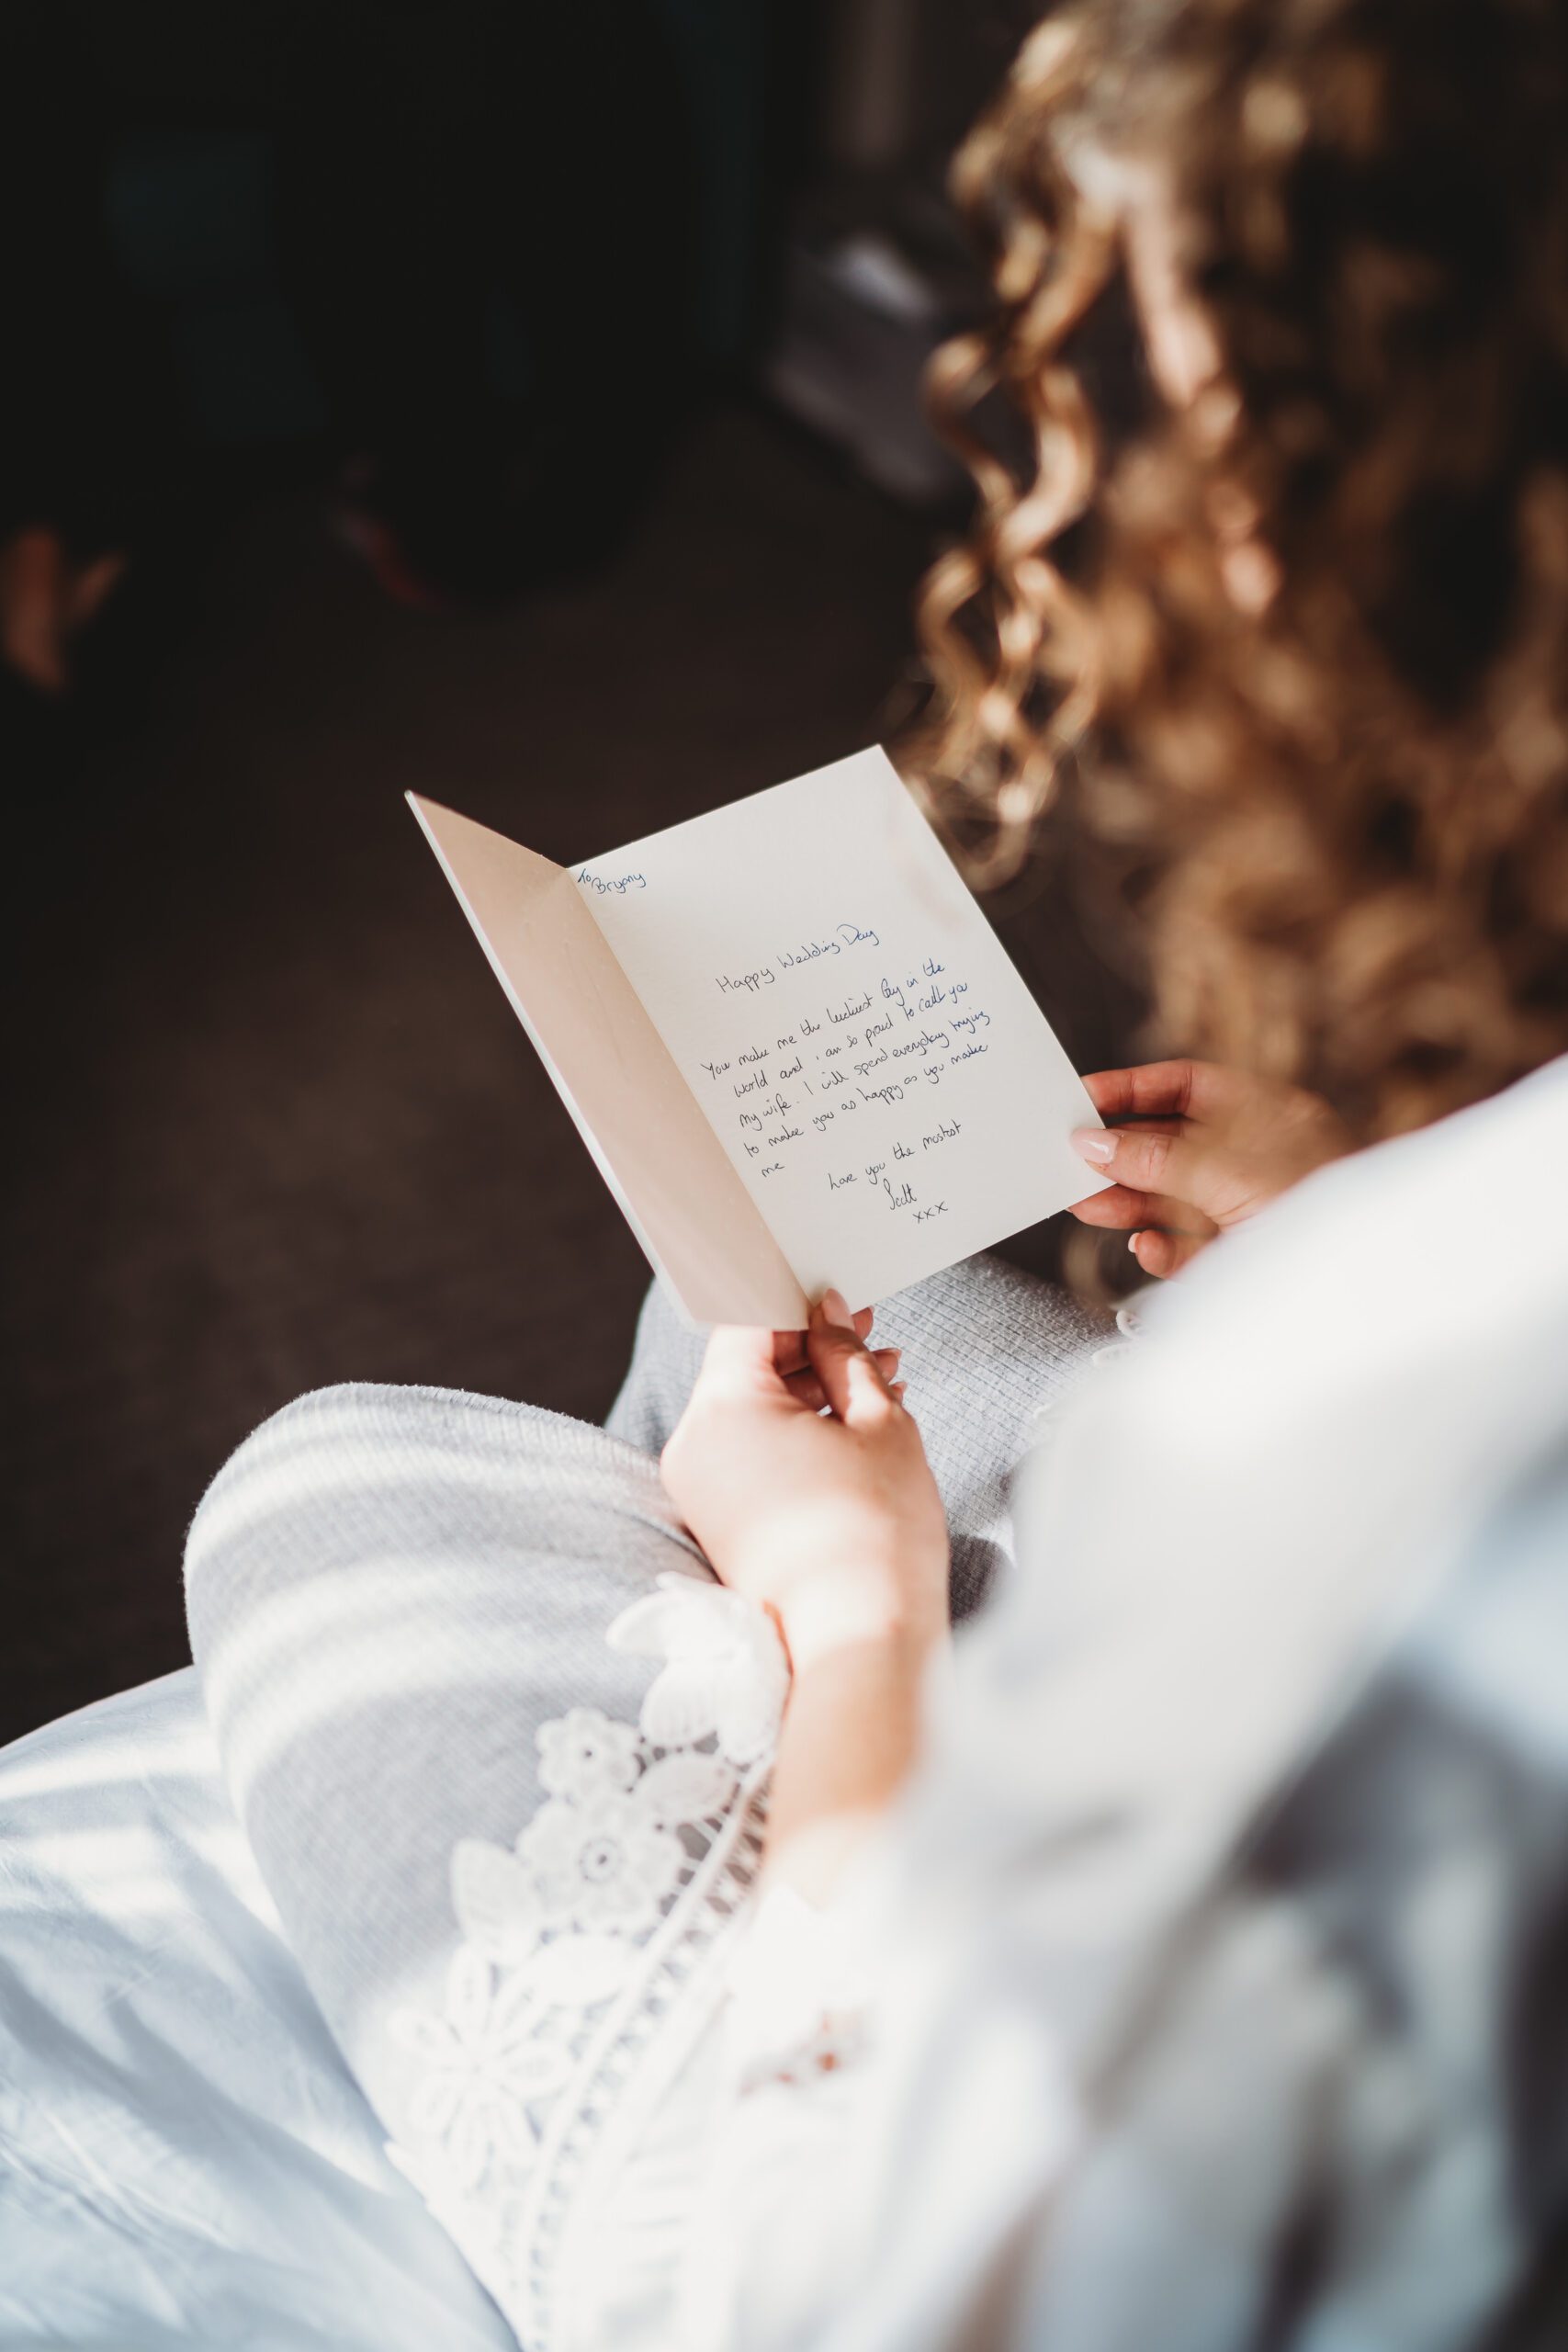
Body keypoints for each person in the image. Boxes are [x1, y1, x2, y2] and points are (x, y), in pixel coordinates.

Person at [184, 1, 1568, 2345]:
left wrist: (854, 1623)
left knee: (315, 1480)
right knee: (840, 1301)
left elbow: (840, 2258)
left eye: (1200, 441)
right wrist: (1358, 1193)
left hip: (836, 2200)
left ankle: (741, 1573)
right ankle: (735, 1510)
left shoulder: (1378, 1470)